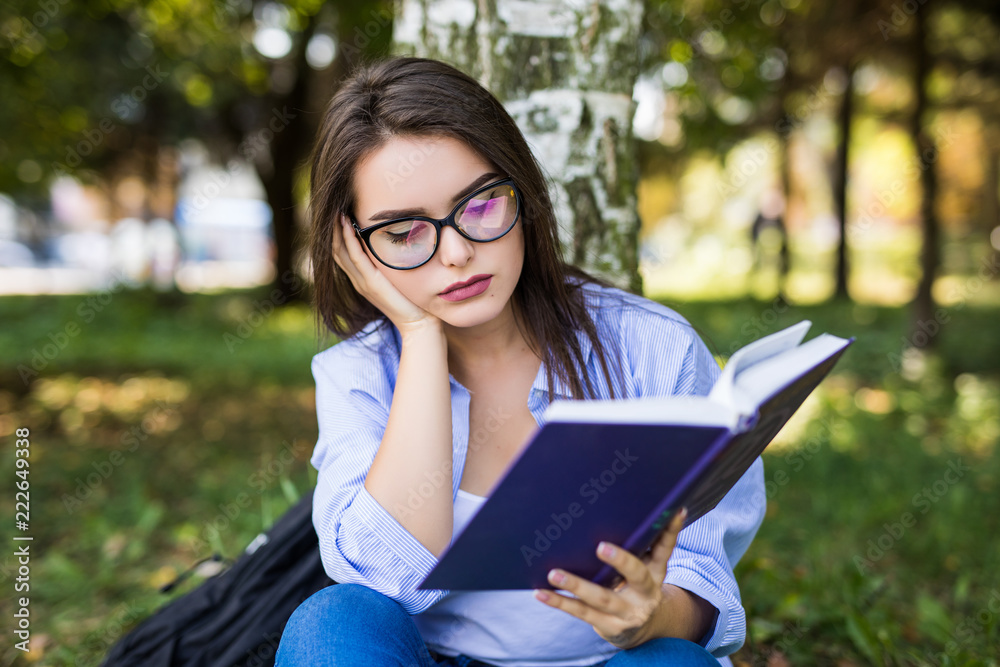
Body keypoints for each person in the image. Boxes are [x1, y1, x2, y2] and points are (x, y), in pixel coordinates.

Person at [276, 55, 766, 667]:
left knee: (676, 663)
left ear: (522, 193)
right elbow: (380, 581)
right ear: (353, 248)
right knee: (331, 624)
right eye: (402, 233)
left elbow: (700, 576)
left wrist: (649, 616)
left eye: (480, 205)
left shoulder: (653, 347)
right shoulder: (359, 374)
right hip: (435, 659)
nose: (456, 253)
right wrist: (420, 335)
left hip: (611, 661)